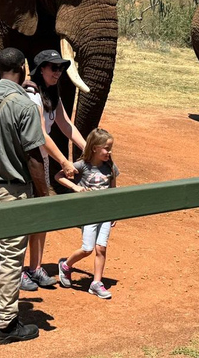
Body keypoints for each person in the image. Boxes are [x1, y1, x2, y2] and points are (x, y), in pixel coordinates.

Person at [0, 47, 49, 345]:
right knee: (11, 257)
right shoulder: (25, 106)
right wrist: (43, 194)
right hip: (14, 188)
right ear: (24, 67)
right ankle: (5, 324)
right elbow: (33, 156)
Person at [20, 49, 88, 291]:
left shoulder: (51, 94)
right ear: (40, 70)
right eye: (53, 67)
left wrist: (87, 148)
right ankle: (21, 271)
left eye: (60, 68)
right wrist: (64, 161)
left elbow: (65, 124)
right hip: (28, 161)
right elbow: (40, 135)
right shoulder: (31, 95)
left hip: (42, 161)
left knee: (42, 214)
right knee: (29, 216)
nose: (58, 72)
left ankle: (35, 268)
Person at [55, 128, 119, 299]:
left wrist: (114, 213)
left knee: (101, 248)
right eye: (106, 148)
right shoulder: (82, 165)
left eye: (110, 148)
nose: (109, 152)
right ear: (94, 148)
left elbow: (113, 190)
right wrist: (75, 187)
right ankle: (66, 266)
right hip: (89, 213)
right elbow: (58, 176)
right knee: (88, 249)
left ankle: (96, 283)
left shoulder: (111, 167)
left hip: (105, 213)